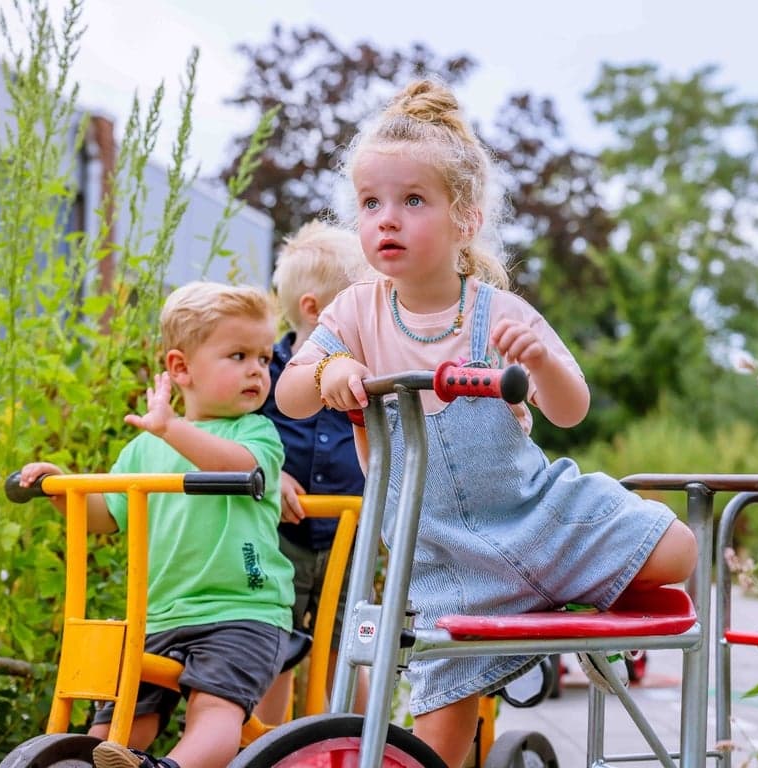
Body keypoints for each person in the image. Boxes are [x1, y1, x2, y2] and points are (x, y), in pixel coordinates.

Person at [274, 78, 699, 768]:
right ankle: (527, 626)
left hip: (536, 517)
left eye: (413, 201)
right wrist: (326, 374)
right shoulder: (354, 312)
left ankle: (567, 604)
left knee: (678, 549)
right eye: (370, 203)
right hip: (439, 558)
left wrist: (543, 366)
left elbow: (570, 409)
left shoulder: (495, 313)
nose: (387, 219)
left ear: (464, 218)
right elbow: (289, 395)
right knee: (432, 745)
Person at [17, 282, 296, 768]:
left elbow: (236, 467)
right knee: (114, 727)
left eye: (264, 357)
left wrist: (171, 428)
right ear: (181, 368)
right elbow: (106, 516)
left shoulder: (255, 432)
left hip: (242, 610)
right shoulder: (145, 449)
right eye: (238, 355)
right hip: (160, 614)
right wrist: (64, 491)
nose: (257, 369)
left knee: (216, 708)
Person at [254, 221, 369, 723]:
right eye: (358, 303)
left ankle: (366, 745)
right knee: (278, 643)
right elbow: (243, 433)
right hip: (283, 535)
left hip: (349, 534)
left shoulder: (366, 371)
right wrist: (270, 474)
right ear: (316, 311)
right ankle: (266, 748)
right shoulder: (267, 371)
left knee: (346, 644)